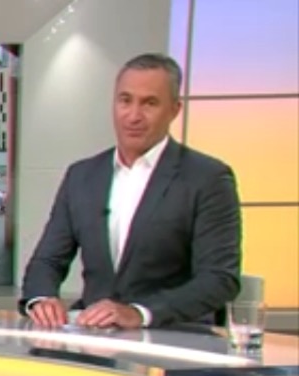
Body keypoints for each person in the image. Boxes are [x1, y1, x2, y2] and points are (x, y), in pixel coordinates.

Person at [21, 53, 241, 329]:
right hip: (94, 335)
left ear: (174, 110)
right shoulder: (82, 176)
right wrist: (42, 299)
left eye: (149, 103)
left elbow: (219, 279)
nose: (134, 116)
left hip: (172, 335)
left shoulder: (208, 178)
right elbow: (47, 260)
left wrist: (140, 313)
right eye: (125, 101)